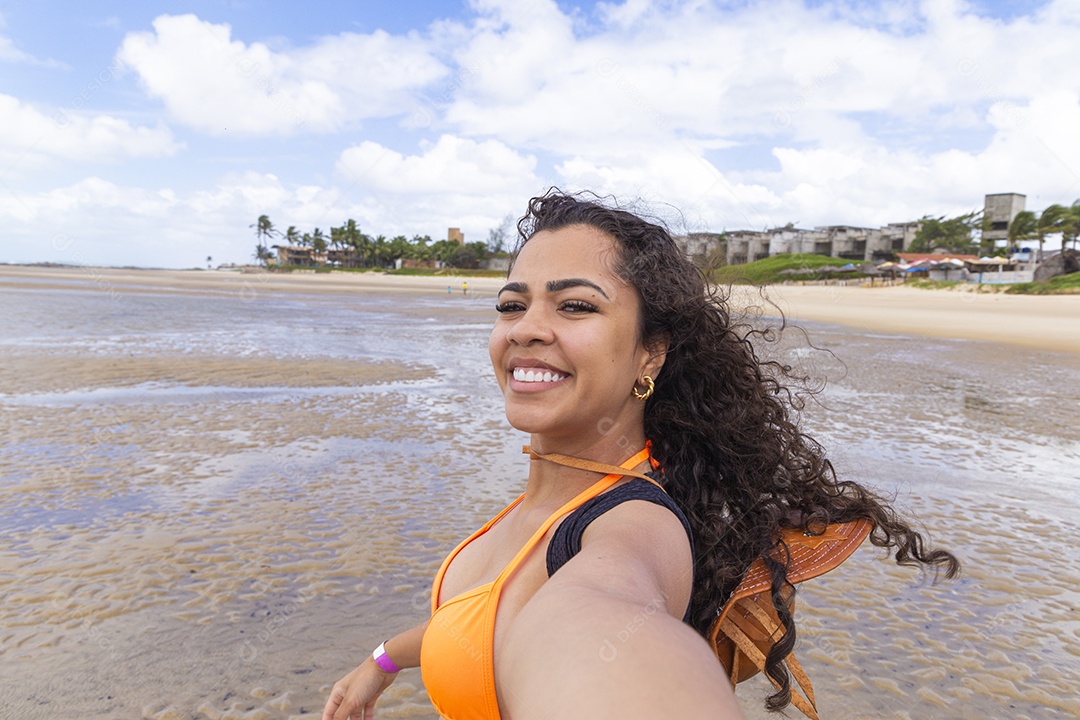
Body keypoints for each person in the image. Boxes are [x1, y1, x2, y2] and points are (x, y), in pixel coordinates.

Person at [322, 190, 959, 720]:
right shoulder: (555, 497)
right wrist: (380, 661)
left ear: (649, 354)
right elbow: (485, 621)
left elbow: (600, 630)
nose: (525, 328)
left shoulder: (632, 527)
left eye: (575, 305)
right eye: (512, 305)